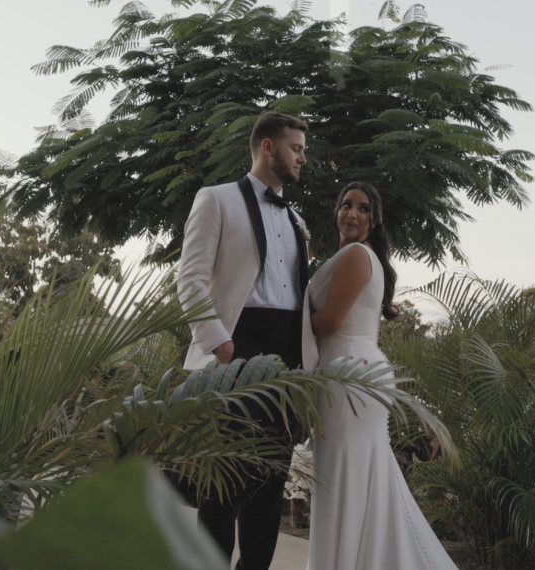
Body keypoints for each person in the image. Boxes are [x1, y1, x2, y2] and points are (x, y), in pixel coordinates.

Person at [177, 111, 311, 570]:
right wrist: (221, 344)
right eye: (296, 148)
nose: (302, 158)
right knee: (223, 481)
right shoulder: (215, 199)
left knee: (270, 481)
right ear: (268, 147)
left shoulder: (296, 219)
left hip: (286, 354)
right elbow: (190, 279)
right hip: (236, 347)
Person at [303, 182, 458, 570]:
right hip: (354, 374)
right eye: (346, 205)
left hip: (348, 378)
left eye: (363, 208)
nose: (352, 214)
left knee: (343, 479)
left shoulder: (356, 255)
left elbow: (329, 322)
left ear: (373, 221)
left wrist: (283, 317)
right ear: (336, 212)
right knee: (355, 478)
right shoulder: (357, 256)